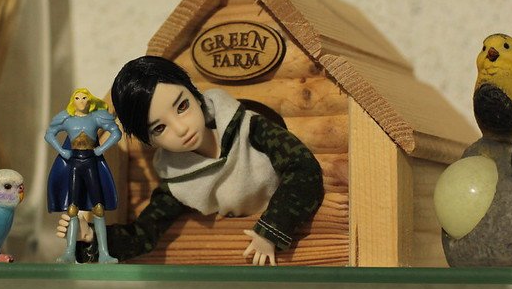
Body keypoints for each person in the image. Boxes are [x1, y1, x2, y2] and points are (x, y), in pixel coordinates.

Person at [57, 56, 324, 266]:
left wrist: (272, 229)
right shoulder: (177, 182)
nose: (181, 129)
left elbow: (304, 169)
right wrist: (89, 236)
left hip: (300, 243)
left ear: (195, 94)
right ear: (149, 141)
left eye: (182, 106)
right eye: (159, 128)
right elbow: (143, 234)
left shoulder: (250, 128)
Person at [45, 88, 121, 263]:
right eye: (77, 98)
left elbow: (116, 133)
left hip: (91, 163)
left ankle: (104, 253)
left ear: (89, 100)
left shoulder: (96, 118)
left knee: (99, 209)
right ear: (73, 100)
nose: (81, 101)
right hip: (74, 164)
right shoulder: (67, 118)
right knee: (72, 209)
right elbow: (49, 134)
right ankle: (69, 252)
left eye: (84, 97)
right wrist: (62, 151)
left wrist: (100, 149)